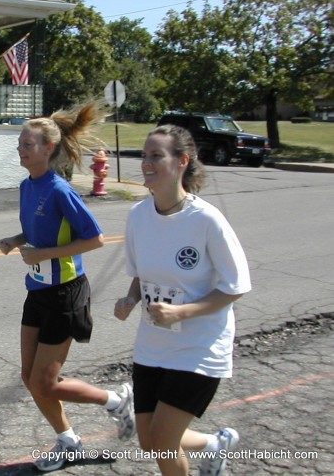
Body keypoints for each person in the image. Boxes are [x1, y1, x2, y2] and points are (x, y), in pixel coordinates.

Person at [0, 102, 135, 472]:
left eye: (28, 143)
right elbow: (40, 229)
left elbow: (95, 239)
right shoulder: (28, 186)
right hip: (38, 290)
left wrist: (45, 252)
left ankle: (115, 400)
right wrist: (16, 238)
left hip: (66, 293)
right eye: (20, 144)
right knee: (30, 378)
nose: (21, 149)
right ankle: (68, 441)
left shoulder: (60, 189)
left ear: (48, 149)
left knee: (45, 382)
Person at [114, 125, 251, 476]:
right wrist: (130, 299)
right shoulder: (139, 216)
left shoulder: (206, 220)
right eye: (144, 155)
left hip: (199, 346)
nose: (146, 162)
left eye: (156, 155)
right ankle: (214, 445)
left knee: (162, 442)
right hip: (153, 344)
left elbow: (236, 286)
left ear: (182, 161)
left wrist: (182, 312)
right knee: (149, 441)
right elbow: (140, 274)